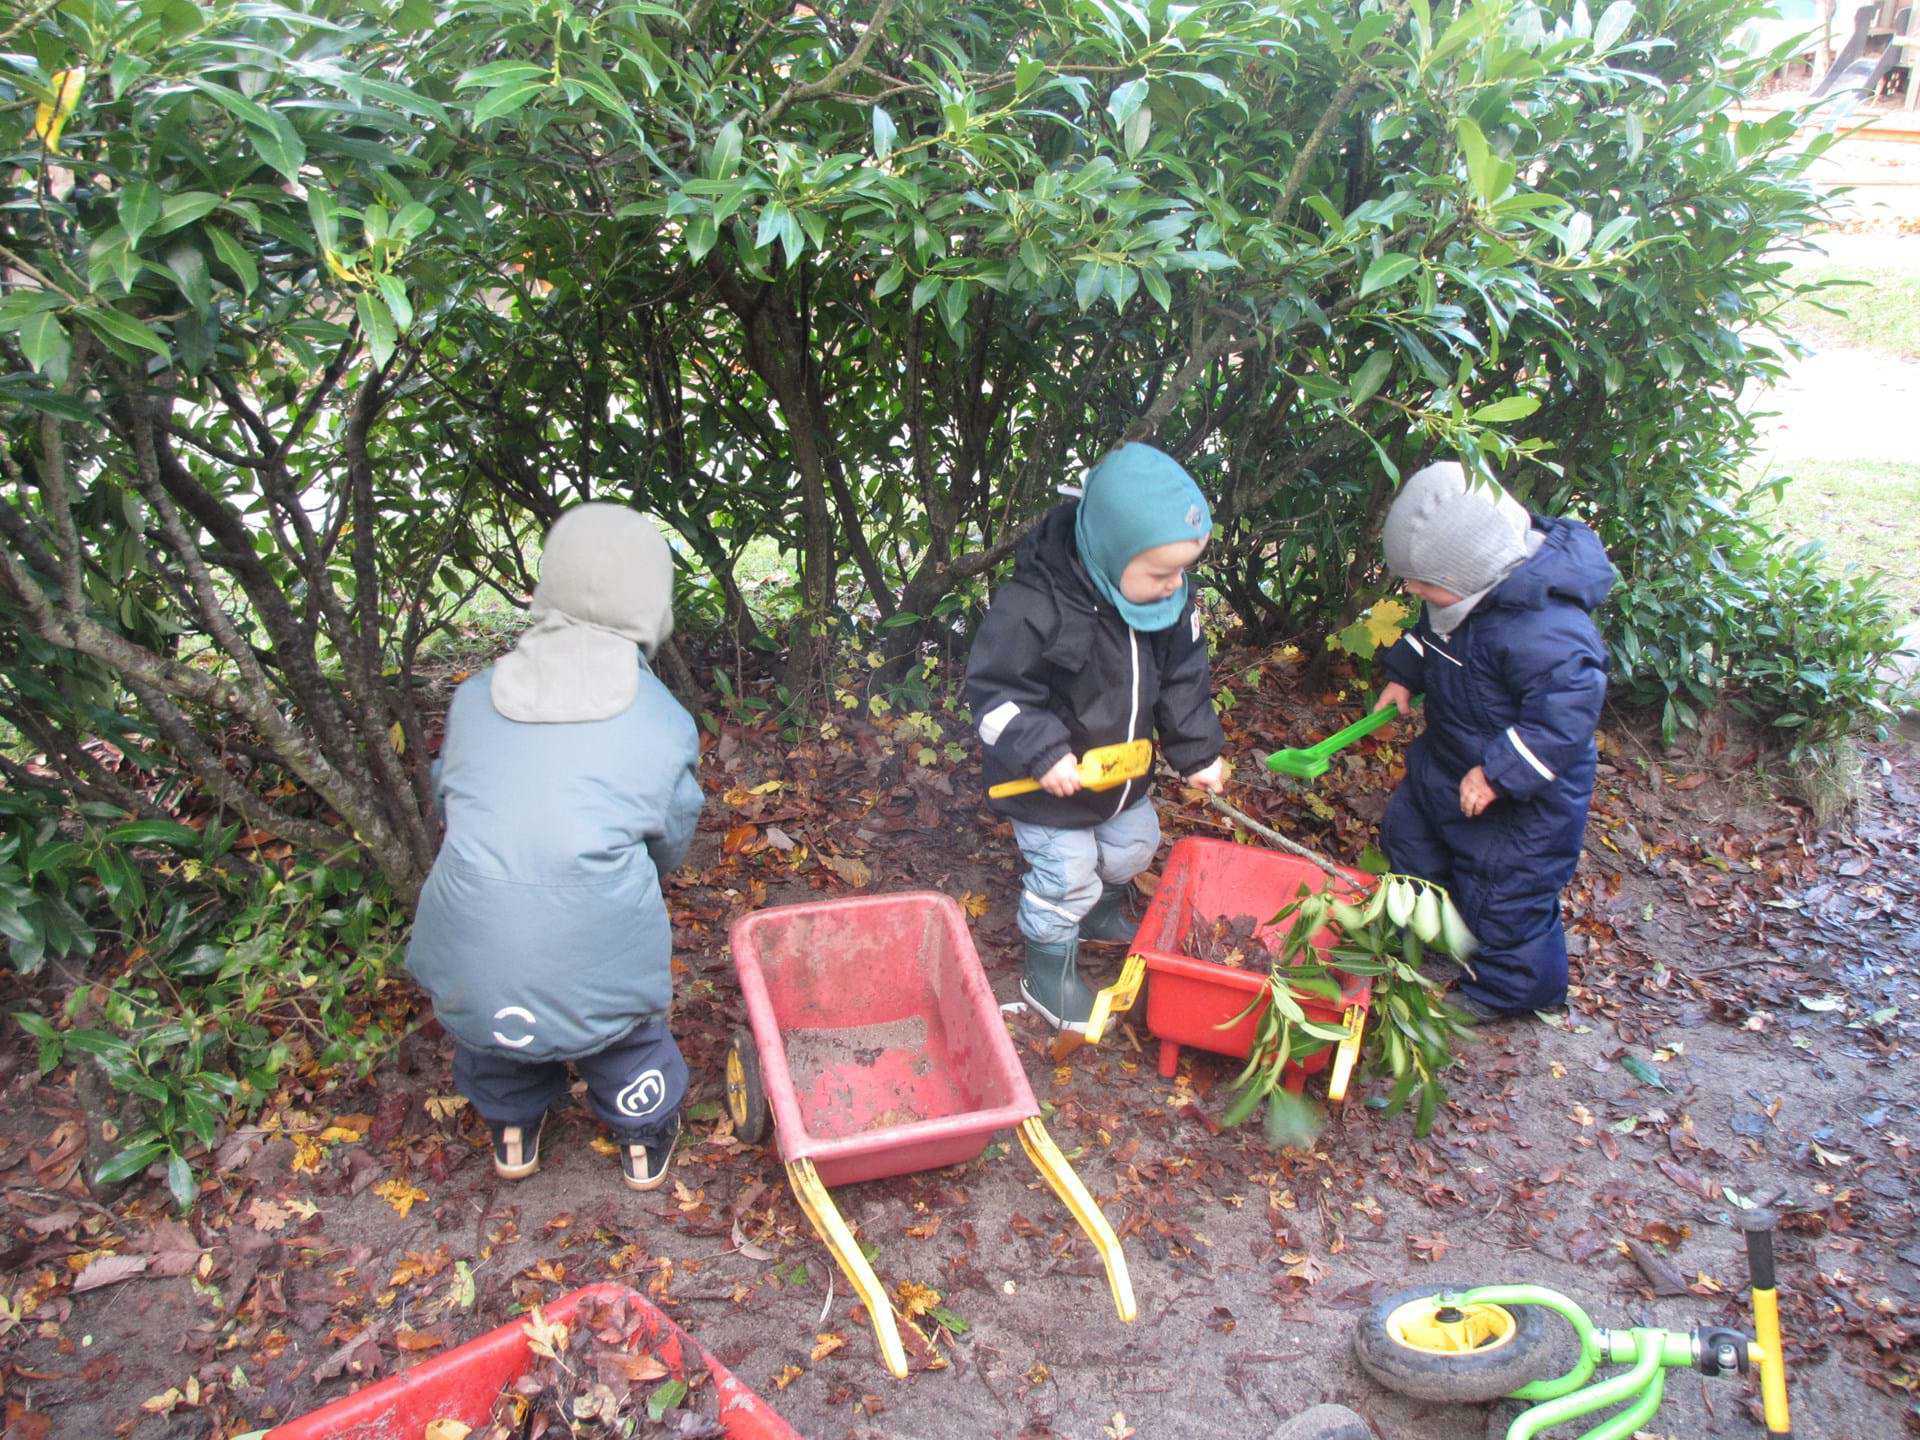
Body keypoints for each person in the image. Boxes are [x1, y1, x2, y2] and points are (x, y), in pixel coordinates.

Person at [408, 504, 704, 1189]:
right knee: (627, 1034)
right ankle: (642, 1140)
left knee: (498, 1039)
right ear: (652, 602)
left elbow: (449, 794)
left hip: (467, 965)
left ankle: (512, 1131)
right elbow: (672, 835)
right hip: (601, 968)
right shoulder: (660, 719)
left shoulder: (474, 698)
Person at [966, 442, 1227, 1032]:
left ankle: (1101, 913)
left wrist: (1197, 751)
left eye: (1183, 571)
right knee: (1067, 875)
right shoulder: (1035, 606)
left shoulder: (1167, 603)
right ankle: (1047, 971)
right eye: (1161, 573)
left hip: (1120, 778)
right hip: (1045, 785)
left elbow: (1184, 678)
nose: (1174, 586)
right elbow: (994, 694)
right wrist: (1043, 751)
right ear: (1110, 553)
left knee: (1137, 844)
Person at [1372, 461, 1616, 1020]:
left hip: (1524, 798)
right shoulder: (1461, 596)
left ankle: (1513, 988)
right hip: (1450, 760)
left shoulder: (1546, 629)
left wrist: (1501, 774)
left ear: (1471, 573)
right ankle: (1426, 931)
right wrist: (1402, 675)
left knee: (1503, 891)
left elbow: (1565, 715)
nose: (1411, 590)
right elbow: (1429, 633)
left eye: (1421, 583)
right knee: (1411, 838)